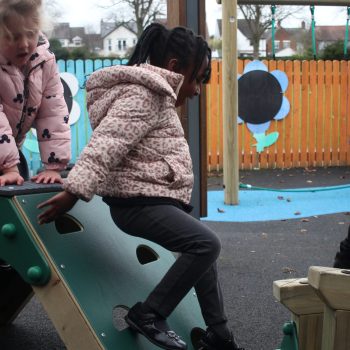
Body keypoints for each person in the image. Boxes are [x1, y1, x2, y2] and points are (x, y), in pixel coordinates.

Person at [37, 23, 243, 350]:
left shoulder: (154, 93)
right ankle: (150, 314)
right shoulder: (143, 93)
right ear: (175, 67)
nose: (197, 89)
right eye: (197, 78)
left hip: (150, 200)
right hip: (138, 205)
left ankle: (219, 333)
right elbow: (108, 143)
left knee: (202, 250)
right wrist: (73, 192)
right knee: (206, 244)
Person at [0, 0, 71, 187]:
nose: (24, 44)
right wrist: (9, 168)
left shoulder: (43, 61)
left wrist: (53, 167)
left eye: (30, 34)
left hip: (10, 149)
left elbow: (53, 113)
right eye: (13, 37)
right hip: (6, 155)